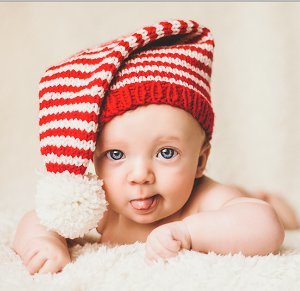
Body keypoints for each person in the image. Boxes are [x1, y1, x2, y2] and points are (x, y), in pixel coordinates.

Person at [12, 19, 298, 275]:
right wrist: (44, 241)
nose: (140, 175)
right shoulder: (105, 205)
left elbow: (265, 226)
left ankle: (267, 196)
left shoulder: (205, 200)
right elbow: (39, 218)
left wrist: (188, 232)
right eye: (116, 155)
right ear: (94, 158)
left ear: (200, 160)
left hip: (241, 201)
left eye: (166, 153)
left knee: (263, 204)